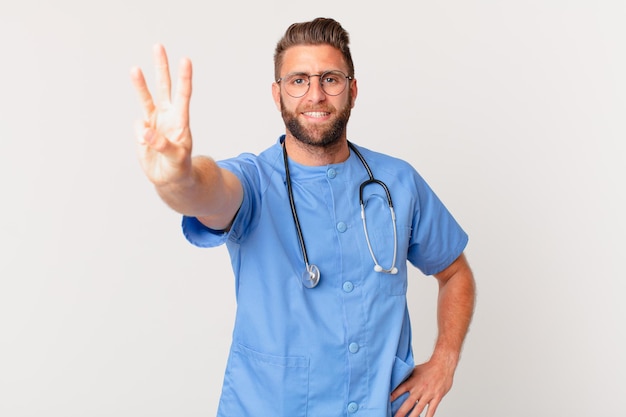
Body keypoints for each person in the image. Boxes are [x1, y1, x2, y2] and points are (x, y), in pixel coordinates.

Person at [130, 17, 476, 417]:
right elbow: (208, 192)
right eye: (298, 81)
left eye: (330, 79)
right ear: (277, 95)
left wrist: (444, 361)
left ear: (353, 90)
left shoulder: (398, 182)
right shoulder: (254, 181)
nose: (315, 95)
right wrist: (179, 176)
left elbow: (455, 274)